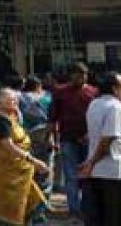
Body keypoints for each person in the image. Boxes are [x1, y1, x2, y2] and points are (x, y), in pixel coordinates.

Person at [0, 88, 48, 226]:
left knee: (36, 204)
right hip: (8, 178)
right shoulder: (0, 120)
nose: (14, 100)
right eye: (10, 98)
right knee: (10, 214)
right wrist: (33, 161)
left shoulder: (12, 117)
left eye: (15, 98)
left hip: (21, 175)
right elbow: (8, 146)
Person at [80, 71, 121, 226]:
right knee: (118, 218)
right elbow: (108, 138)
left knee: (98, 218)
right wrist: (91, 162)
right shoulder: (115, 106)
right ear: (115, 89)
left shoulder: (94, 104)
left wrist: (91, 162)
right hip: (115, 171)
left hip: (97, 171)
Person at [48, 62, 96, 218]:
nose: (81, 77)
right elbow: (52, 117)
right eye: (77, 73)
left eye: (84, 74)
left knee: (88, 175)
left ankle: (87, 207)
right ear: (71, 75)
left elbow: (97, 117)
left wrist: (91, 134)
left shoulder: (93, 92)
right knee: (71, 176)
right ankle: (74, 210)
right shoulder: (60, 92)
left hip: (88, 139)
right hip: (68, 138)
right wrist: (51, 138)